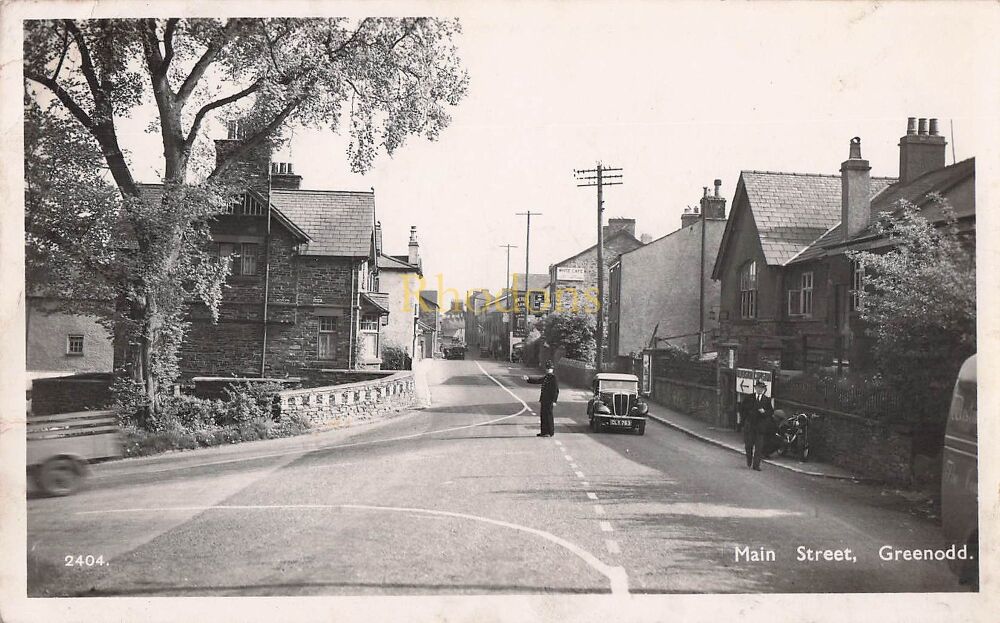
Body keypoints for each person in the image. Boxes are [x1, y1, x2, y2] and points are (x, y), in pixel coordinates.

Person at [740, 380, 773, 470]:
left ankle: (756, 465)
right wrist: (744, 421)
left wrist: (764, 412)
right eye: (759, 388)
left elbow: (770, 412)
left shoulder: (766, 400)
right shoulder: (749, 398)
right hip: (750, 425)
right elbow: (742, 409)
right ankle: (749, 459)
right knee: (749, 445)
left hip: (760, 427)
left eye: (762, 388)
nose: (760, 390)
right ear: (755, 388)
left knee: (759, 447)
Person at [523, 361, 559, 437]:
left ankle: (550, 432)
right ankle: (544, 432)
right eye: (547, 368)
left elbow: (556, 391)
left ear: (552, 369)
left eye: (549, 369)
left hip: (549, 400)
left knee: (548, 416)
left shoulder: (553, 378)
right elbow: (538, 380)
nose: (548, 370)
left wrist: (554, 401)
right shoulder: (546, 377)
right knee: (543, 416)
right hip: (544, 400)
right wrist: (528, 379)